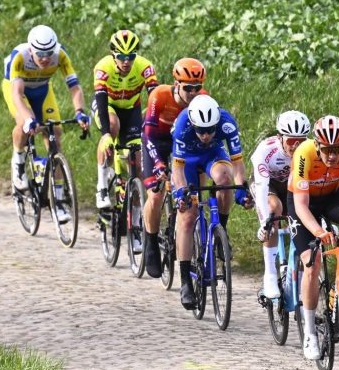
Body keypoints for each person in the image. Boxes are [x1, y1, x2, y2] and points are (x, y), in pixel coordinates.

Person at [288, 115, 339, 360]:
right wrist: (319, 232)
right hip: (303, 204)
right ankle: (310, 333)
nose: (333, 156)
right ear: (317, 145)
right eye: (327, 150)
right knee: (312, 264)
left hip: (331, 195)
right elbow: (301, 206)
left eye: (337, 149)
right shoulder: (304, 153)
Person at [1, 25, 89, 223]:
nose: (45, 58)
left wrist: (80, 112)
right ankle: (19, 160)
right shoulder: (20, 56)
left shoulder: (61, 55)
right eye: (40, 54)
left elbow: (74, 86)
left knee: (55, 132)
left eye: (49, 53)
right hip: (17, 89)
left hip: (42, 89)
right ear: (31, 49)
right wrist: (29, 119)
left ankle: (58, 199)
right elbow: (16, 94)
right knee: (26, 123)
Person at [171, 94, 251, 309]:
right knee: (188, 217)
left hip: (212, 156)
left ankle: (220, 233)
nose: (206, 135)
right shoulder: (182, 125)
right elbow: (177, 169)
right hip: (186, 160)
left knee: (225, 180)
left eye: (210, 130)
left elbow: (238, 164)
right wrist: (181, 194)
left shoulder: (227, 123)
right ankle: (185, 281)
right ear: (193, 124)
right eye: (201, 131)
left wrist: (242, 190)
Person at [140, 57, 208, 278]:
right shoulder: (159, 95)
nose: (193, 92)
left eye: (197, 87)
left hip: (182, 145)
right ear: (177, 84)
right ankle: (150, 241)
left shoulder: (202, 99)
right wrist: (158, 163)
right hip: (156, 141)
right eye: (188, 88)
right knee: (157, 195)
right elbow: (147, 134)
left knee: (193, 191)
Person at [91, 29, 159, 209]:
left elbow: (155, 98)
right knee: (112, 126)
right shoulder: (103, 67)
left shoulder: (145, 67)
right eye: (121, 56)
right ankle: (102, 187)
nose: (126, 61)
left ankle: (134, 218)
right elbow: (101, 99)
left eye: (131, 56)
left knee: (137, 162)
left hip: (131, 110)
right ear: (113, 54)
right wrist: (106, 134)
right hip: (108, 107)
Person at [250, 110, 311, 298]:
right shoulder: (266, 151)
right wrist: (264, 222)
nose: (296, 146)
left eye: (300, 141)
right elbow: (261, 188)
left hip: (293, 185)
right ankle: (270, 273)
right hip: (269, 185)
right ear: (279, 137)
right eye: (291, 141)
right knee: (275, 209)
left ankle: (298, 273)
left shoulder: (309, 150)